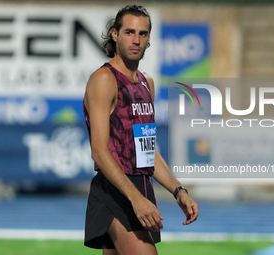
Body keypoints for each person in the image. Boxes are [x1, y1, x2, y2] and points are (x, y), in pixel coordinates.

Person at [83, 5, 199, 255]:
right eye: (129, 32)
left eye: (143, 34)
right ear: (114, 34)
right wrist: (135, 199)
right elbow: (99, 152)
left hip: (140, 186)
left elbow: (147, 151)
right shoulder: (104, 79)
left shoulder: (147, 83)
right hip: (115, 191)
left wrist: (179, 192)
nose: (136, 40)